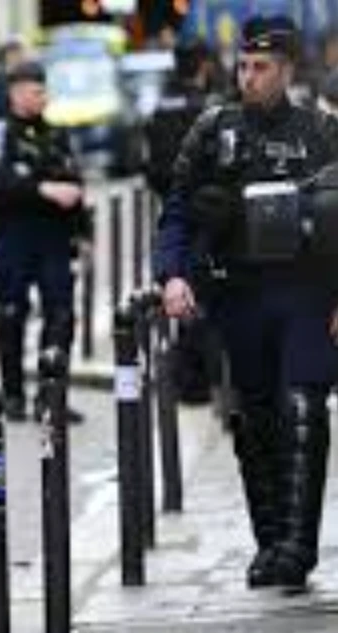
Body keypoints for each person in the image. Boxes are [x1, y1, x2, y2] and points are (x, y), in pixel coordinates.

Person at [155, 15, 338, 591]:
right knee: (253, 418)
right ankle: (270, 542)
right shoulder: (211, 129)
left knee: (304, 408)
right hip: (237, 296)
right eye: (243, 65)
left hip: (305, 294)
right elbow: (176, 212)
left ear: (286, 71)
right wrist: (172, 277)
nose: (248, 76)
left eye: (261, 67)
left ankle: (298, 547)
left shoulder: (320, 132)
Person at [0, 61, 90, 423]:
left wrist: (82, 232)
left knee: (61, 314)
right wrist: (42, 189)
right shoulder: (0, 131)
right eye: (33, 90)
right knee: (12, 314)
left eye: (43, 90)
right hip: (15, 236)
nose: (41, 97)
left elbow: (74, 180)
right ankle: (13, 395)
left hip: (55, 237)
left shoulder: (56, 135)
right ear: (14, 93)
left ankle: (52, 394)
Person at [144, 39, 222, 405]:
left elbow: (150, 163)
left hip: (174, 206)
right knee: (202, 294)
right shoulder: (210, 107)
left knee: (185, 289)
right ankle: (196, 378)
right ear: (203, 65)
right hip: (205, 211)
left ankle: (189, 377)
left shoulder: (161, 104)